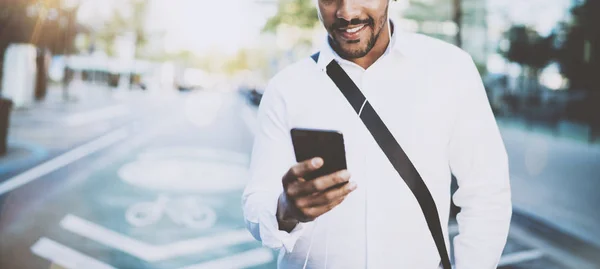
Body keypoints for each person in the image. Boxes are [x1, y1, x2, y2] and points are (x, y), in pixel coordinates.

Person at [242, 0, 512, 268]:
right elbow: (256, 204)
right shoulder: (286, 88)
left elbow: (486, 193)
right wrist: (285, 210)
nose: (347, 12)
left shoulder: (450, 70)